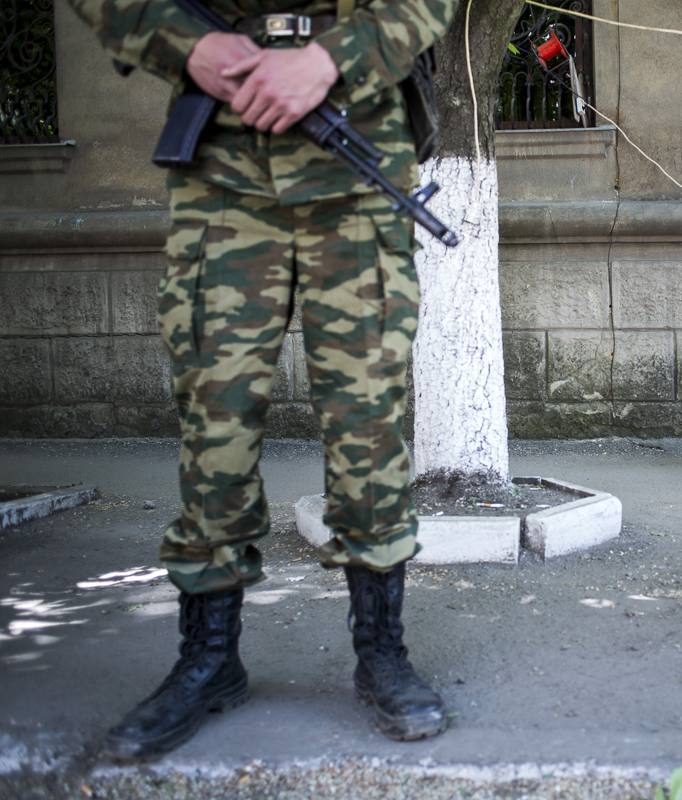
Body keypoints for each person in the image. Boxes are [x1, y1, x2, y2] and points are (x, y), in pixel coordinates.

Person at [67, 0, 457, 760]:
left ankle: (381, 650)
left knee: (368, 419)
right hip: (222, 165)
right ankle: (209, 657)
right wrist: (189, 45)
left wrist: (332, 57)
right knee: (214, 415)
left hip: (354, 152)